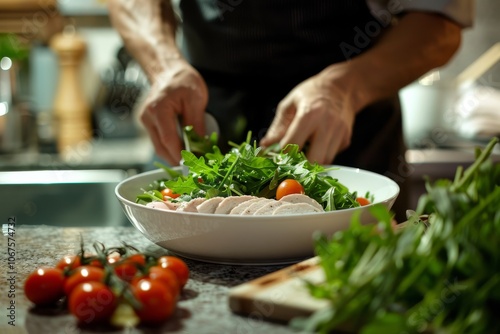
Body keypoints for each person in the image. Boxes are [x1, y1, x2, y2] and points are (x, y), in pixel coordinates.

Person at [107, 0, 472, 221]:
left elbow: (439, 22)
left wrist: (345, 86)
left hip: (351, 127)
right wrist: (164, 64)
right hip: (203, 113)